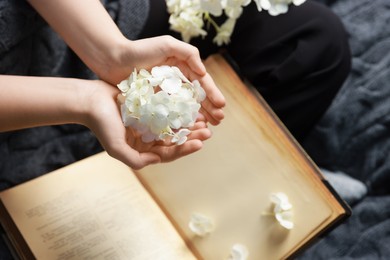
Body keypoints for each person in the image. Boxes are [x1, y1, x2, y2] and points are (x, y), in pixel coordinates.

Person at [0, 0, 350, 166]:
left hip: (85, 18)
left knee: (314, 40)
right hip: (23, 108)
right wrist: (82, 99)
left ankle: (284, 174)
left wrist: (111, 53)